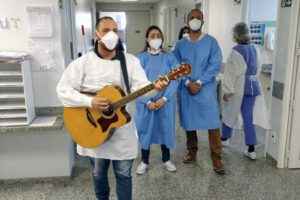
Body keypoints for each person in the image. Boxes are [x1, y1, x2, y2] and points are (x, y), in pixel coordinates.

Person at [56, 17, 168, 200]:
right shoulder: (82, 63)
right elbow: (62, 90)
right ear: (97, 34)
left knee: (124, 175)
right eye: (106, 30)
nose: (111, 34)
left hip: (121, 129)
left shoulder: (130, 62)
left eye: (115, 30)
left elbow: (142, 88)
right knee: (98, 174)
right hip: (93, 128)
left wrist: (155, 87)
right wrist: (88, 102)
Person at [173, 9, 224, 175]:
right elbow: (176, 65)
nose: (195, 20)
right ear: (187, 21)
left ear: (202, 21)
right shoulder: (180, 44)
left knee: (213, 123)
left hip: (206, 88)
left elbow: (215, 65)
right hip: (186, 89)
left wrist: (199, 82)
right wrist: (188, 82)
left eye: (198, 18)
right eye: (192, 18)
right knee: (189, 121)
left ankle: (216, 157)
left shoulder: (211, 42)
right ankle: (192, 150)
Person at [135, 26, 179, 175]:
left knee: (164, 129)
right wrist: (146, 101)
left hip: (165, 103)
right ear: (147, 39)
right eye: (152, 35)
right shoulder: (140, 58)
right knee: (145, 129)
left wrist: (165, 98)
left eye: (158, 35)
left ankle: (166, 159)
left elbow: (176, 79)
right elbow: (135, 84)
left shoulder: (170, 57)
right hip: (145, 102)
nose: (155, 38)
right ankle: (144, 161)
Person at [221, 22, 269, 160]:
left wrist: (227, 91)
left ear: (236, 36)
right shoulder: (255, 48)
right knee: (249, 117)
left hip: (239, 87)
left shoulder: (235, 52)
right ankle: (251, 149)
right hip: (253, 85)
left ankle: (224, 139)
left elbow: (230, 74)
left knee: (229, 111)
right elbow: (258, 68)